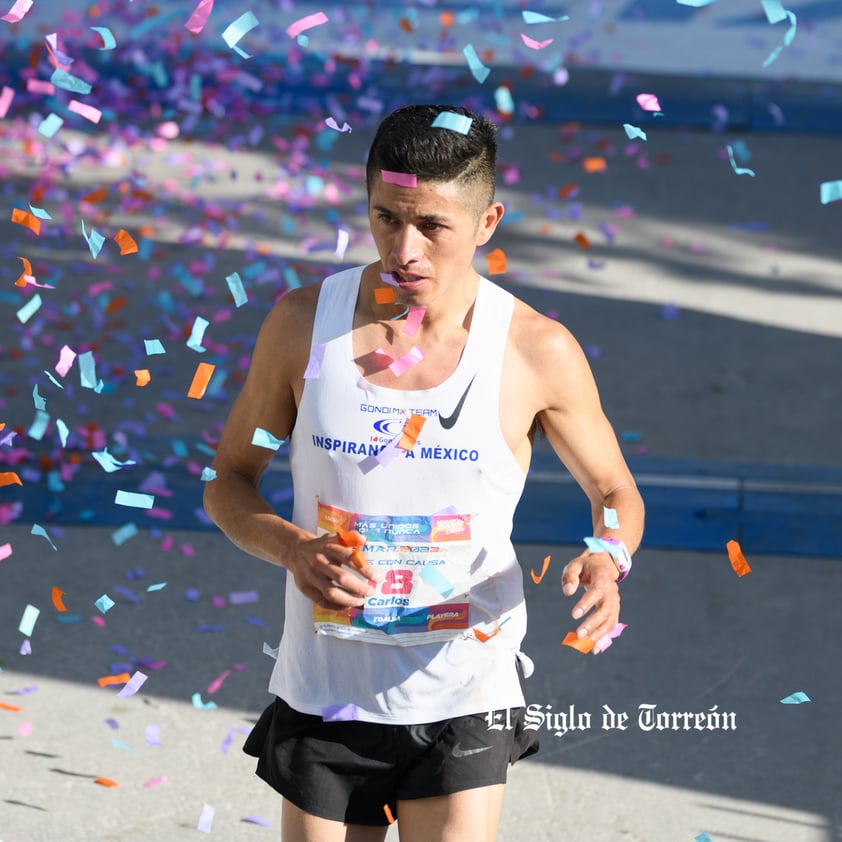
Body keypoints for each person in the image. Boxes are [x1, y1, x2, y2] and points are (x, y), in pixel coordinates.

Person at [203, 103, 644, 842]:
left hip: (466, 693)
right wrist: (291, 548)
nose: (403, 249)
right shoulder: (303, 324)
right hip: (328, 694)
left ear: (487, 222)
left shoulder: (536, 350)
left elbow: (613, 490)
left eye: (433, 226)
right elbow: (229, 480)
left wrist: (609, 554)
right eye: (385, 218)